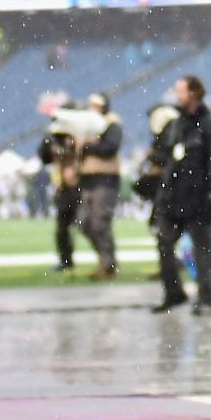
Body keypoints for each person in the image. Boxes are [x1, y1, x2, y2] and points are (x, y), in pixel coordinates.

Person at [149, 75, 211, 315]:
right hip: (174, 195)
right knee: (164, 243)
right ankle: (174, 293)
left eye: (181, 91)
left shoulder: (208, 123)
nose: (177, 95)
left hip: (199, 195)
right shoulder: (176, 123)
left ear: (193, 93)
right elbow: (165, 155)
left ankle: (206, 298)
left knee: (202, 249)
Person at [75, 93, 123, 281]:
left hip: (106, 178)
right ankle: (105, 257)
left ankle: (107, 262)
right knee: (83, 221)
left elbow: (110, 148)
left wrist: (87, 147)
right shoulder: (86, 127)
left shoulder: (111, 124)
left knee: (99, 222)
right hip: (88, 178)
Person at [37, 120, 83, 272]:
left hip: (79, 185)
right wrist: (48, 140)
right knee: (62, 228)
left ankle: (105, 262)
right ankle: (66, 260)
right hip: (64, 188)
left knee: (87, 225)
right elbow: (45, 157)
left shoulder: (79, 136)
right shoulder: (56, 140)